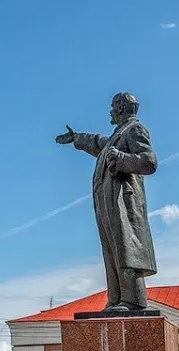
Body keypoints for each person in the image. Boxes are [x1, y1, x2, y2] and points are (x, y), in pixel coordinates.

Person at [55, 92, 158, 312]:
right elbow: (97, 142)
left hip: (124, 202)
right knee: (111, 249)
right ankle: (116, 299)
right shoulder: (116, 135)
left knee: (126, 249)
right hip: (108, 201)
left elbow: (148, 162)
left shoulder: (134, 130)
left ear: (120, 107)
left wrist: (120, 158)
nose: (110, 111)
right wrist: (76, 138)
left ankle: (133, 301)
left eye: (112, 106)